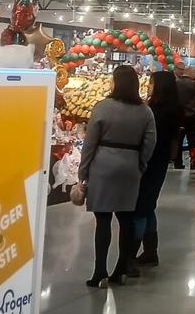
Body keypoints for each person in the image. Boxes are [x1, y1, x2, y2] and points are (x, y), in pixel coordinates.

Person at [78, 66, 156, 287]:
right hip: (130, 166)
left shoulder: (102, 107)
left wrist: (83, 172)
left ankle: (100, 271)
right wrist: (140, 164)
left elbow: (90, 143)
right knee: (126, 219)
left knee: (103, 219)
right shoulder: (145, 111)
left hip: (103, 166)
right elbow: (150, 143)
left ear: (115, 82)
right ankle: (122, 268)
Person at [129, 71, 183, 271]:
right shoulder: (173, 109)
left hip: (148, 162)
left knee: (140, 209)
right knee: (148, 206)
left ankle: (130, 255)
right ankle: (151, 252)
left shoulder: (152, 111)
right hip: (160, 162)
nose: (148, 86)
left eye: (151, 83)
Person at [173, 66, 195, 169]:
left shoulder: (175, 83)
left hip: (178, 116)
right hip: (190, 116)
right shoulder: (193, 83)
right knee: (192, 141)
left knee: (178, 140)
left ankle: (177, 163)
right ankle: (194, 163)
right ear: (191, 73)